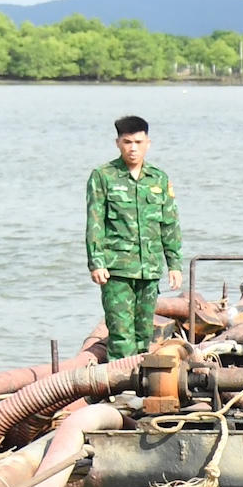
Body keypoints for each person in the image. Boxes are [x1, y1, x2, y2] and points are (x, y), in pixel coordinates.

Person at [86, 116, 182, 362]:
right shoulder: (103, 176)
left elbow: (169, 223)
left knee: (144, 335)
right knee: (120, 335)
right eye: (127, 142)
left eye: (138, 142)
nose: (133, 148)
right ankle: (121, 382)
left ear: (148, 143)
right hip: (116, 269)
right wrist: (96, 262)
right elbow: (95, 222)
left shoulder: (158, 179)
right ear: (118, 143)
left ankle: (140, 380)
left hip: (149, 270)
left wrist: (174, 264)